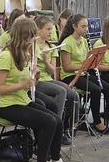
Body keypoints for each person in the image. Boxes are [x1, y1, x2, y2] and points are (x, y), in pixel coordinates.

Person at [0, 17, 73, 162]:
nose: (34, 41)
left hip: (23, 100)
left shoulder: (25, 53)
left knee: (57, 120)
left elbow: (27, 82)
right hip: (8, 105)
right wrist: (23, 84)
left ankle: (55, 160)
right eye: (31, 37)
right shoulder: (6, 56)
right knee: (48, 122)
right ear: (23, 36)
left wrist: (34, 77)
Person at [59, 14, 109, 136]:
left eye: (87, 26)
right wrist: (84, 65)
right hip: (70, 76)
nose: (86, 29)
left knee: (107, 88)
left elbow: (87, 60)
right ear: (74, 26)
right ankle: (96, 121)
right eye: (83, 26)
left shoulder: (85, 41)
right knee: (96, 89)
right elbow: (66, 67)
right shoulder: (67, 43)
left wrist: (92, 61)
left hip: (83, 73)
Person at [34, 16, 79, 144]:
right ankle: (56, 130)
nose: (50, 32)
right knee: (61, 92)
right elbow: (31, 69)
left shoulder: (50, 46)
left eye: (52, 29)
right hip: (37, 81)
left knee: (74, 94)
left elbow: (52, 71)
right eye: (47, 29)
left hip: (48, 79)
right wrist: (39, 59)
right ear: (38, 30)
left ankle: (71, 127)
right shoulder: (32, 46)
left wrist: (46, 61)